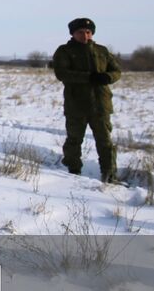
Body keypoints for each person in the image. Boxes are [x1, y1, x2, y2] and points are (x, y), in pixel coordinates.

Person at [52, 17, 123, 183]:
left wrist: (108, 77)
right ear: (73, 34)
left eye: (88, 32)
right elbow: (62, 73)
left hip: (101, 105)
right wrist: (89, 77)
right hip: (76, 104)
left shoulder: (102, 51)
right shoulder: (65, 51)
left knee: (105, 142)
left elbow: (117, 71)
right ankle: (73, 171)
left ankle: (109, 175)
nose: (85, 36)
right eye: (80, 32)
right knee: (74, 140)